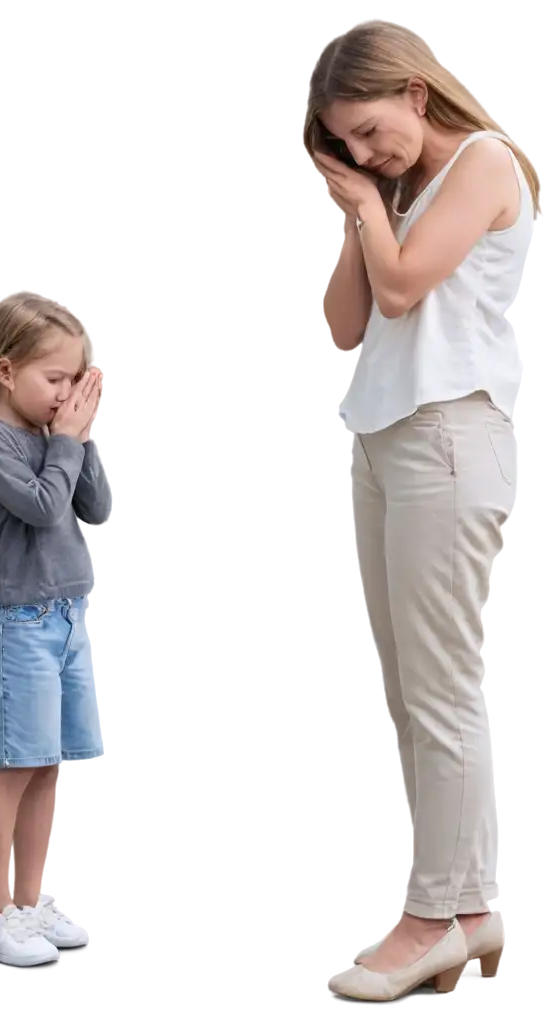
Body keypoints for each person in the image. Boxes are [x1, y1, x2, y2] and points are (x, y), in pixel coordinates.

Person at [301, 22, 538, 1003]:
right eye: (344, 145)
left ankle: (429, 915)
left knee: (440, 694)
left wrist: (366, 204)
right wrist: (370, 201)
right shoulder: (395, 195)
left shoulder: (483, 161)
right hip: (383, 436)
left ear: (411, 90)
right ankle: (476, 906)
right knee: (408, 693)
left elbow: (400, 291)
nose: (363, 154)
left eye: (368, 130)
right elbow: (342, 324)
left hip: (448, 437)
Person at [0, 293, 113, 967]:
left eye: (74, 381)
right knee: (11, 768)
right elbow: (45, 505)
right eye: (54, 380)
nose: (64, 394)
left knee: (48, 764)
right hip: (20, 620)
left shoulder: (59, 436)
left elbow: (96, 507)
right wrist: (65, 444)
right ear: (5, 371)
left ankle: (27, 901)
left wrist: (85, 435)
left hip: (69, 615)